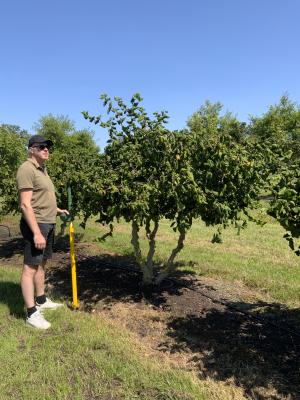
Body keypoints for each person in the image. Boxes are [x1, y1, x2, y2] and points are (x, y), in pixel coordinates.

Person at [16, 135, 69, 329]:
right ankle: (31, 313)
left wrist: (57, 210)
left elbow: (41, 198)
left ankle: (41, 300)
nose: (46, 149)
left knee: (42, 264)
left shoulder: (42, 170)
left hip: (48, 222)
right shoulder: (26, 169)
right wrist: (36, 233)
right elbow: (25, 204)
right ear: (31, 149)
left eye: (47, 147)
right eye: (41, 147)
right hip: (36, 225)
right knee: (30, 267)